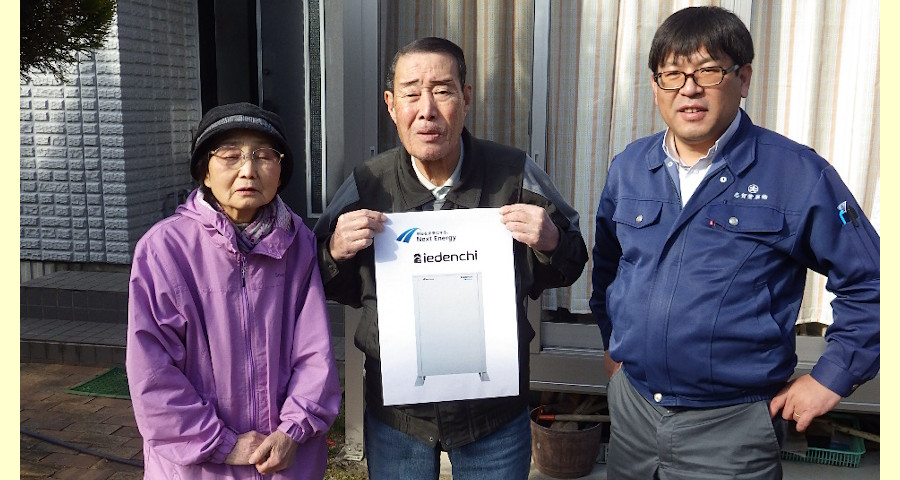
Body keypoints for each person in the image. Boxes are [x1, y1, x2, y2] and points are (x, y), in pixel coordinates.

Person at [590, 6, 880, 479]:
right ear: (655, 86)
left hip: (732, 427)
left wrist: (831, 377)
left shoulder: (796, 174)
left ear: (743, 78)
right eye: (672, 74)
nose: (689, 88)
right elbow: (609, 266)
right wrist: (613, 342)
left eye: (708, 71)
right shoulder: (629, 167)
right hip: (634, 413)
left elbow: (873, 282)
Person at [313, 37, 588, 480]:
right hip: (398, 414)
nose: (427, 110)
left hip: (494, 412)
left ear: (466, 97)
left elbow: (573, 260)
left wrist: (552, 240)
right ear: (391, 105)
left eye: (442, 90)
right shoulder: (367, 183)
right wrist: (333, 252)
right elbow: (320, 279)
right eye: (411, 93)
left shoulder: (513, 174)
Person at [126, 102, 342, 479]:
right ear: (205, 172)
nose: (248, 170)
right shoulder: (164, 250)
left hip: (283, 462)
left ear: (280, 171)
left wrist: (292, 431)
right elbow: (152, 373)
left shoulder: (299, 244)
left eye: (264, 155)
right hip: (198, 467)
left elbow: (315, 353)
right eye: (230, 155)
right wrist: (223, 443)